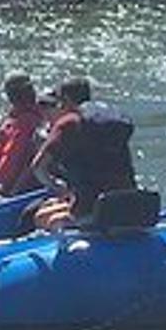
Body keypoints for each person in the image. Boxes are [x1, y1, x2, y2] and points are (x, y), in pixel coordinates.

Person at [31, 76, 136, 230]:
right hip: (126, 200)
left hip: (91, 205)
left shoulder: (69, 123)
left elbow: (38, 167)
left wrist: (58, 188)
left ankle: (63, 249)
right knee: (53, 205)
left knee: (42, 217)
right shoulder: (111, 120)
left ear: (65, 99)